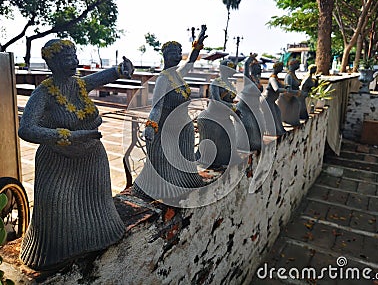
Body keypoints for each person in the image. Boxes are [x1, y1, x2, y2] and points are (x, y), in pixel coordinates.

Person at [18, 39, 134, 270]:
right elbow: (26, 128)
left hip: (92, 156)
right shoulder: (44, 93)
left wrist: (122, 70)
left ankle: (99, 236)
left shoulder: (79, 85)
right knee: (56, 201)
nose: (75, 62)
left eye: (74, 57)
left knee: (97, 200)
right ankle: (53, 250)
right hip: (57, 159)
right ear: (52, 63)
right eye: (67, 59)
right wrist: (65, 136)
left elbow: (105, 76)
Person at [132, 26, 208, 203]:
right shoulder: (163, 79)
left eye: (178, 52)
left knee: (184, 160)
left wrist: (197, 44)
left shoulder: (178, 75)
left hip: (184, 127)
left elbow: (190, 62)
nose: (176, 56)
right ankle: (166, 188)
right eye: (173, 53)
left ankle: (185, 182)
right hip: (167, 128)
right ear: (165, 55)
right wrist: (151, 126)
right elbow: (157, 107)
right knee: (166, 162)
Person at [196, 59, 242, 169]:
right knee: (212, 143)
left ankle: (226, 159)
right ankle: (210, 162)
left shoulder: (230, 85)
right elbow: (216, 101)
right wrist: (232, 108)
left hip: (224, 117)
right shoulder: (215, 83)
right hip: (211, 117)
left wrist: (235, 112)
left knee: (230, 137)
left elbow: (230, 102)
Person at [236, 53, 266, 152]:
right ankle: (246, 144)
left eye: (259, 67)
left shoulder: (258, 80)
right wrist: (250, 58)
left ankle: (257, 142)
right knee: (250, 127)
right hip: (244, 109)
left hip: (255, 108)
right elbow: (245, 65)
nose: (259, 69)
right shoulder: (248, 79)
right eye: (257, 67)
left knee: (261, 124)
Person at [277, 58, 302, 126]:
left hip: (293, 98)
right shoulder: (289, 76)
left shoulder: (293, 75)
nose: (299, 65)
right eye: (297, 64)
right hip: (287, 99)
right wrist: (297, 92)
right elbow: (288, 90)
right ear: (292, 65)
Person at [264, 62, 287, 136]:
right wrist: (285, 90)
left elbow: (281, 86)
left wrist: (285, 87)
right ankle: (273, 131)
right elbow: (276, 89)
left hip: (272, 101)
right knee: (272, 116)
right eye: (281, 67)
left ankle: (280, 130)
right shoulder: (272, 78)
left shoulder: (276, 78)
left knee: (278, 113)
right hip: (267, 100)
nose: (282, 69)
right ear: (276, 68)